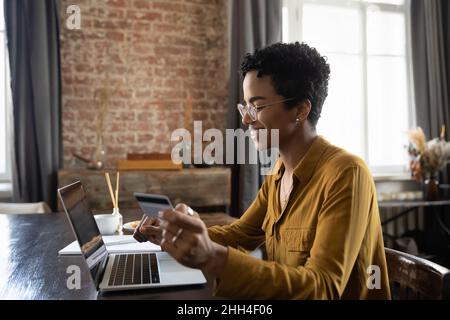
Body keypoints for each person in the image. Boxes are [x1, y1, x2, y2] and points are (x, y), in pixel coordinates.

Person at [134, 42, 391, 299]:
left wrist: (212, 256)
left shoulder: (347, 173)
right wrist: (174, 235)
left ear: (301, 110)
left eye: (257, 106)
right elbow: (240, 234)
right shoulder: (279, 172)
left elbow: (323, 287)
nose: (246, 118)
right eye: (245, 106)